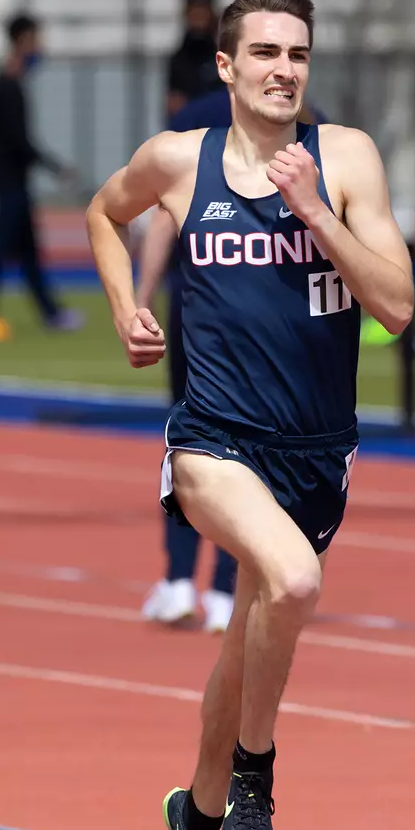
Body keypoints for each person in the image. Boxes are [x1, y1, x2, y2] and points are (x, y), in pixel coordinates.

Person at [85, 0, 414, 830]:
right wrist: (122, 308)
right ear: (225, 68)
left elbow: (397, 308)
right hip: (213, 442)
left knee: (247, 643)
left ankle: (196, 816)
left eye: (298, 55)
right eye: (265, 53)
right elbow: (106, 214)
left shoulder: (346, 160)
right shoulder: (180, 163)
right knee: (296, 581)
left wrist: (318, 214)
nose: (283, 70)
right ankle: (257, 778)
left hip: (316, 453)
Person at [131, 88, 326, 632]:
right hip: (264, 327)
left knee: (196, 444)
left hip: (217, 322)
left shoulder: (205, 124)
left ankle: (182, 583)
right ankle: (216, 591)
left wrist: (139, 303)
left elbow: (163, 219)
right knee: (248, 454)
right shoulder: (305, 126)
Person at [0, 13, 80, 341]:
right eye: (35, 38)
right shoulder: (6, 84)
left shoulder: (12, 82)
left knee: (28, 251)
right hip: (8, 181)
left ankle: (51, 312)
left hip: (14, 179)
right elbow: (18, 140)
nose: (39, 46)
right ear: (22, 40)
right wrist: (56, 166)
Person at [165, 0, 221, 118]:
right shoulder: (179, 59)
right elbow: (174, 105)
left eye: (202, 10)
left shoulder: (222, 54)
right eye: (195, 10)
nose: (198, 17)